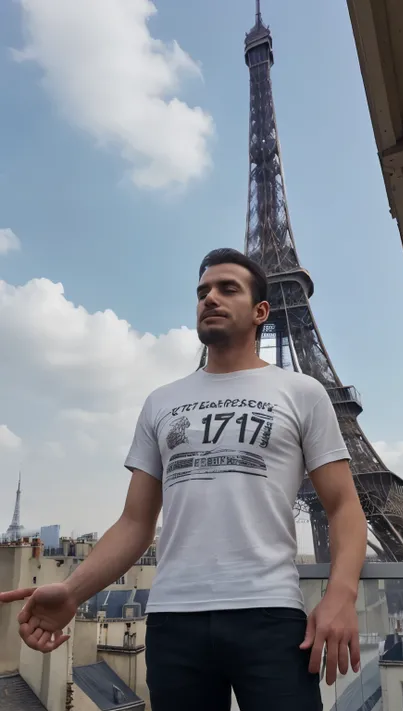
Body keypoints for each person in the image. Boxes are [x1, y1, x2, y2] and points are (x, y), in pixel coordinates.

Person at [0, 248, 367, 711]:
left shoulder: (302, 392)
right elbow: (135, 523)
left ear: (261, 312)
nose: (210, 297)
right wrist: (73, 591)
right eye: (202, 291)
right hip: (173, 620)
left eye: (226, 288)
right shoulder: (161, 401)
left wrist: (341, 595)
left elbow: (344, 507)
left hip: (270, 614)